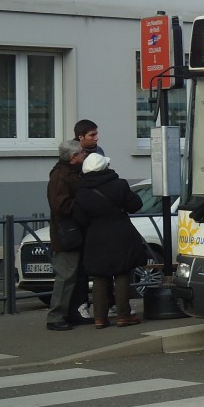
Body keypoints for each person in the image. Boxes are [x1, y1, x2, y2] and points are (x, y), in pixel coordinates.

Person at [73, 153, 144, 328]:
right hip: (120, 233)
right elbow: (135, 205)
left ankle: (99, 318)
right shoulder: (119, 185)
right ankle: (123, 315)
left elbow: (80, 219)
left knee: (99, 276)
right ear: (105, 167)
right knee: (122, 273)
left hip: (95, 236)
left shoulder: (81, 192)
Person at [45, 139, 87, 331]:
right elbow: (60, 206)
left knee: (76, 275)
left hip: (74, 231)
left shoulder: (70, 173)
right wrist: (83, 205)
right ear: (73, 158)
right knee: (66, 275)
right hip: (66, 233)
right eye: (81, 153)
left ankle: (72, 312)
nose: (84, 155)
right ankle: (56, 316)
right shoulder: (60, 176)